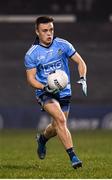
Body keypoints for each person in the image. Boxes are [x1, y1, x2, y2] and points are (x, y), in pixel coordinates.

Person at [24, 16, 87, 169]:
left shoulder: (62, 45)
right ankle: (73, 157)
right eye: (44, 30)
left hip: (64, 91)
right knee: (61, 119)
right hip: (45, 92)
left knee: (55, 126)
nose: (49, 33)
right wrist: (44, 87)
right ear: (37, 32)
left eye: (51, 30)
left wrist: (83, 78)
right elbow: (31, 79)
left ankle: (42, 139)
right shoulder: (32, 54)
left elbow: (80, 62)